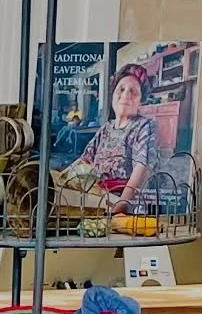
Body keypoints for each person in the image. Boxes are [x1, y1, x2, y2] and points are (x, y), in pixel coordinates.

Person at [55, 62, 157, 216]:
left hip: (120, 202)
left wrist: (118, 208)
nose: (125, 95)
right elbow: (85, 159)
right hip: (94, 194)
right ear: (113, 95)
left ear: (141, 101)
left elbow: (141, 169)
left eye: (133, 92)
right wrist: (61, 179)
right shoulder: (106, 128)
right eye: (121, 90)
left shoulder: (144, 127)